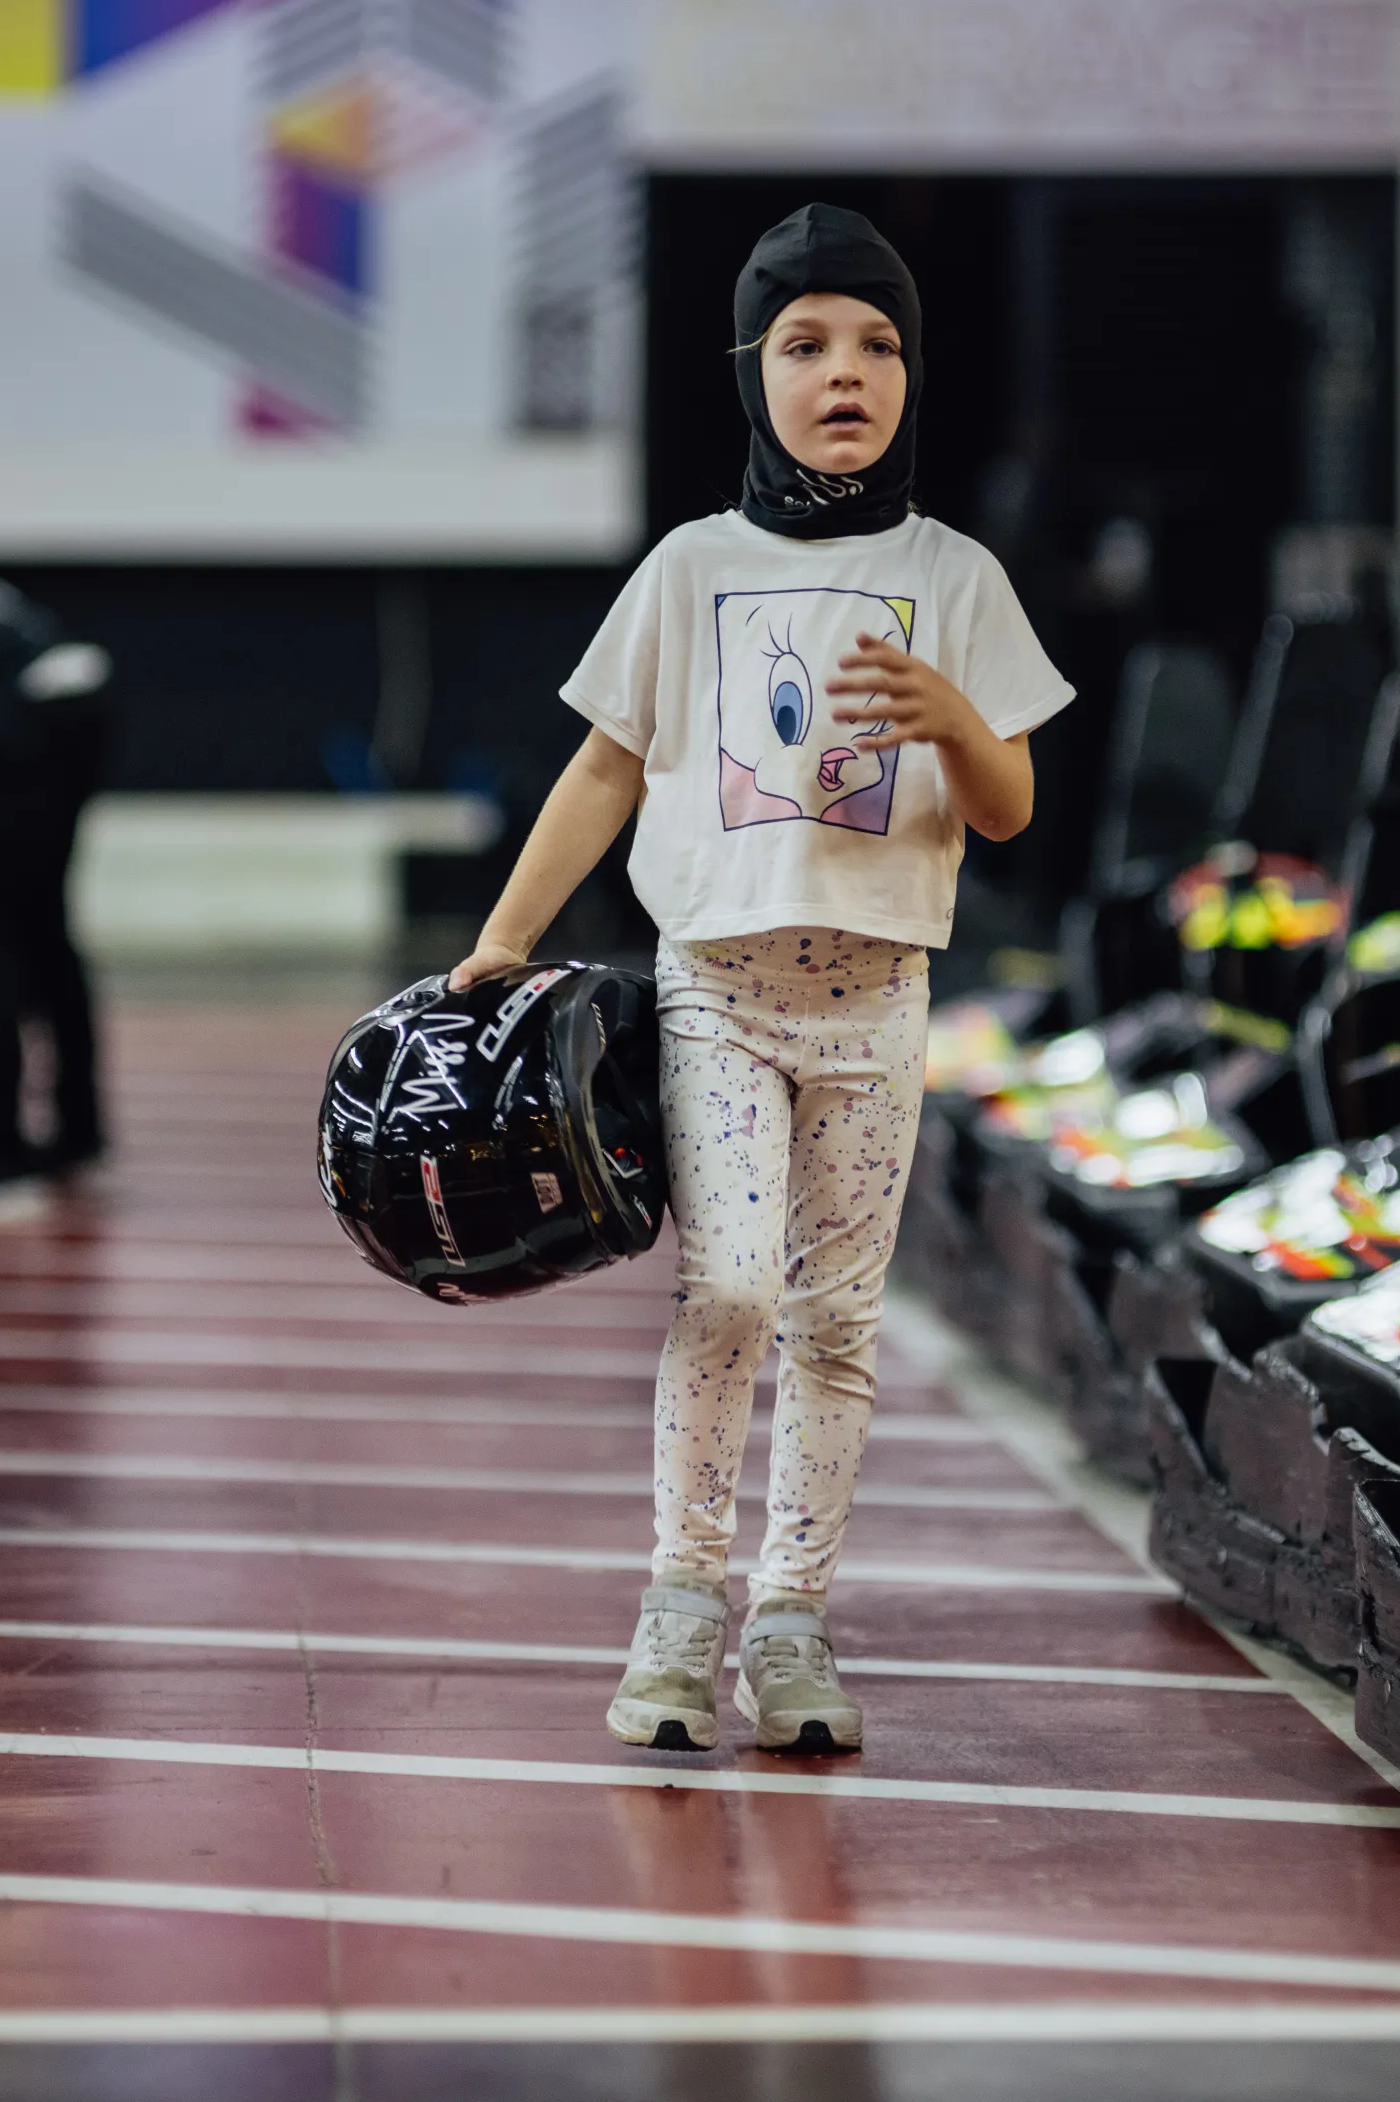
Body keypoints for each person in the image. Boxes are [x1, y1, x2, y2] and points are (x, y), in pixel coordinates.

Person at [445, 205, 1071, 1755]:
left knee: (835, 1324)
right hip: (718, 995)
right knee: (729, 1289)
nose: (846, 371)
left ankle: (792, 1621)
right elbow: (605, 768)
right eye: (805, 344)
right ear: (751, 372)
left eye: (878, 344)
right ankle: (681, 1599)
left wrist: (950, 718)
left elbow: (1008, 809)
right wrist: (506, 937)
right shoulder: (691, 567)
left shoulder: (955, 576)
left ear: (911, 375)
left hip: (878, 1004)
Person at [0, 567, 111, 1189]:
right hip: (76, 702)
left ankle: (1, 1142)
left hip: (26, 718)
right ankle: (78, 1126)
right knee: (41, 932)